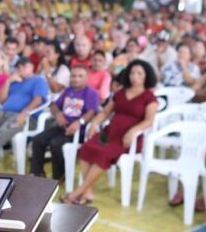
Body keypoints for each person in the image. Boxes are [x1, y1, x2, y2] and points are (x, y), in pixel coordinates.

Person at [63, 60, 159, 205]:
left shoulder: (149, 97)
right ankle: (87, 192)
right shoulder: (120, 93)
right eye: (132, 72)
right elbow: (106, 111)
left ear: (146, 77)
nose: (135, 76)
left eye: (139, 73)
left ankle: (78, 192)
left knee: (103, 154)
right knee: (86, 148)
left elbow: (149, 121)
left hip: (128, 139)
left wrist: (133, 130)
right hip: (110, 133)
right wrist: (95, 123)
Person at [30, 63, 101, 182]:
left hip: (79, 131)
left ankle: (59, 176)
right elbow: (53, 105)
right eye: (73, 76)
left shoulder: (90, 93)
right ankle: (37, 173)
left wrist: (80, 122)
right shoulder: (68, 90)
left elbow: (92, 112)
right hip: (62, 127)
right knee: (37, 139)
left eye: (80, 76)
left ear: (86, 78)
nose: (76, 79)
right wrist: (58, 114)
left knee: (55, 144)